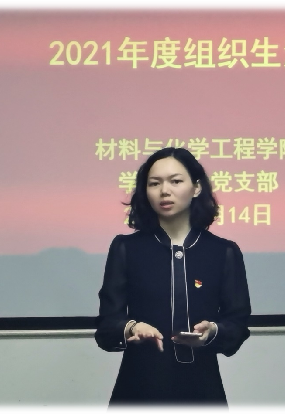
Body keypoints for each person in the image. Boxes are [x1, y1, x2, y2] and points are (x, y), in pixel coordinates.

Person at [95, 147, 252, 413]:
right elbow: (107, 326)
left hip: (202, 389)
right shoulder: (126, 248)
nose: (164, 191)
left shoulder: (223, 251)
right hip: (139, 388)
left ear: (197, 187)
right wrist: (132, 328)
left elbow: (238, 324)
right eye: (154, 183)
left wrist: (213, 331)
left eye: (175, 181)